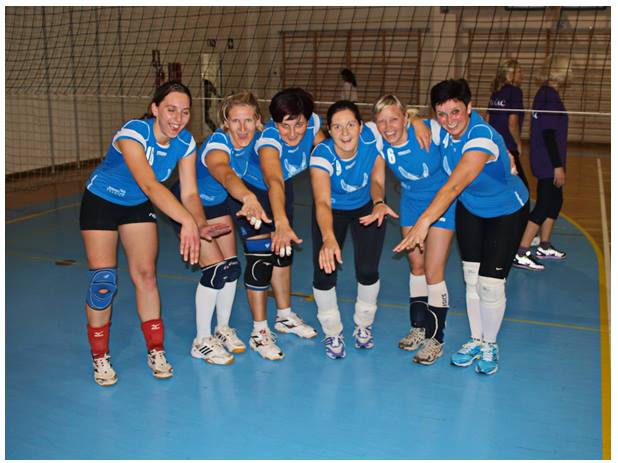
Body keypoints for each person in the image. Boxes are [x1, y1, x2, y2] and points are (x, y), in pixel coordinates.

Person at [80, 81, 228, 386]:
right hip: (102, 201)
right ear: (155, 109)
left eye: (185, 112)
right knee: (103, 282)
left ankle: (156, 350)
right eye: (171, 110)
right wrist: (185, 221)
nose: (178, 118)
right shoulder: (134, 133)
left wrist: (198, 223)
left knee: (146, 276)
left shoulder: (185, 142)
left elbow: (190, 194)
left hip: (136, 206)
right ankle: (99, 355)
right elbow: (149, 184)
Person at [394, 79, 529, 375]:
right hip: (471, 208)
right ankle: (476, 339)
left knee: (490, 284)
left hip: (505, 210)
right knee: (471, 277)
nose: (449, 120)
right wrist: (416, 120)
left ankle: (490, 344)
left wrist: (423, 222)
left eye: (455, 112)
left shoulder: (480, 137)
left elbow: (454, 186)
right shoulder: (442, 129)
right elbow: (409, 121)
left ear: (469, 108)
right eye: (442, 114)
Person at [171, 90, 271, 365]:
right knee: (215, 270)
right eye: (235, 121)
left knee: (231, 267)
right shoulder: (218, 143)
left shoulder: (257, 140)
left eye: (248, 120)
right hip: (189, 205)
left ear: (257, 121)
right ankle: (201, 341)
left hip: (216, 205)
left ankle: (222, 328)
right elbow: (225, 174)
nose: (242, 128)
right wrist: (248, 197)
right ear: (225, 123)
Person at [235, 87, 325, 360]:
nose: (293, 132)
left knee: (283, 255)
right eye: (285, 125)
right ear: (275, 124)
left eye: (299, 124)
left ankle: (284, 316)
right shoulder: (269, 141)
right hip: (255, 192)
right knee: (260, 260)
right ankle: (259, 331)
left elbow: (328, 152)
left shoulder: (313, 125)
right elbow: (273, 180)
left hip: (283, 188)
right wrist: (280, 221)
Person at [369, 94, 455, 365]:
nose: (388, 127)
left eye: (394, 119)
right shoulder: (378, 140)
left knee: (433, 270)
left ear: (405, 118)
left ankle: (436, 339)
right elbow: (376, 179)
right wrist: (379, 201)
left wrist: (506, 154)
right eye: (382, 121)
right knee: (416, 267)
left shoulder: (430, 130)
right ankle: (419, 327)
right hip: (411, 203)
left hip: (441, 203)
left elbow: (464, 135)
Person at [310, 100, 397, 359]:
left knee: (368, 269)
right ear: (329, 130)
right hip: (332, 210)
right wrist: (328, 238)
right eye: (337, 127)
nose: (345, 132)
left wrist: (379, 202)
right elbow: (322, 202)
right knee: (324, 271)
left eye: (350, 125)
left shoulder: (372, 136)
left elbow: (377, 178)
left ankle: (363, 325)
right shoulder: (322, 155)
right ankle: (332, 331)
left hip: (367, 206)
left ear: (361, 125)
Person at [513, 55, 571, 271]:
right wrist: (557, 165)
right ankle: (521, 251)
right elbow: (548, 133)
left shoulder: (546, 94)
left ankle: (544, 246)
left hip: (547, 158)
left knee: (555, 202)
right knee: (545, 204)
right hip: (548, 161)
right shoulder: (549, 96)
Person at [487, 58, 528, 189]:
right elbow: (512, 122)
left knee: (501, 182)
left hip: (495, 143)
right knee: (522, 187)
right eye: (519, 72)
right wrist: (518, 143)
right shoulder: (515, 92)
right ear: (510, 74)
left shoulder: (496, 91)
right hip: (508, 145)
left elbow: (487, 118)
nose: (522, 75)